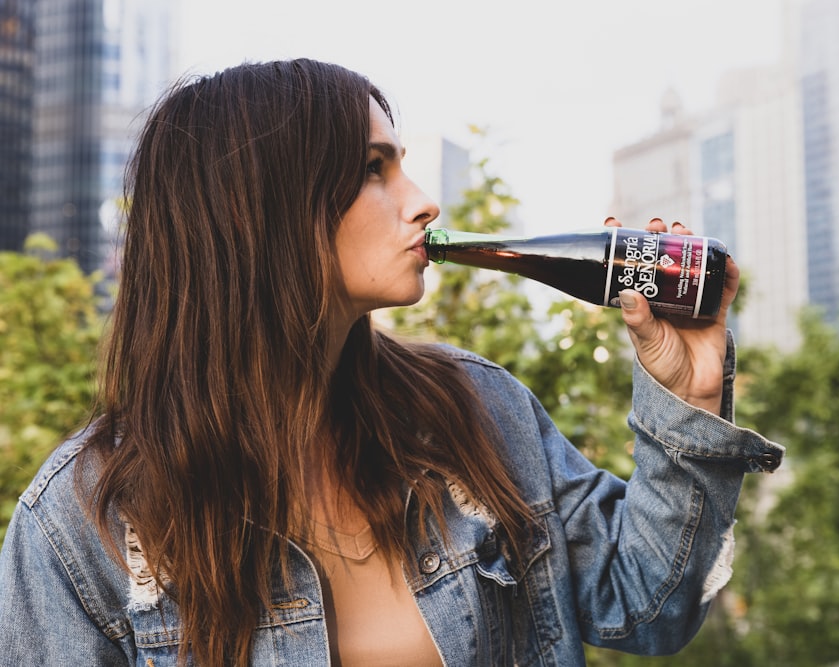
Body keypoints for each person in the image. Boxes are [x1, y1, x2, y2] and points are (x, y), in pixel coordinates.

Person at [0, 59, 783, 666]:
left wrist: (688, 395)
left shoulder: (471, 409)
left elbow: (647, 605)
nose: (422, 200)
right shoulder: (82, 525)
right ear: (259, 213)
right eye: (375, 169)